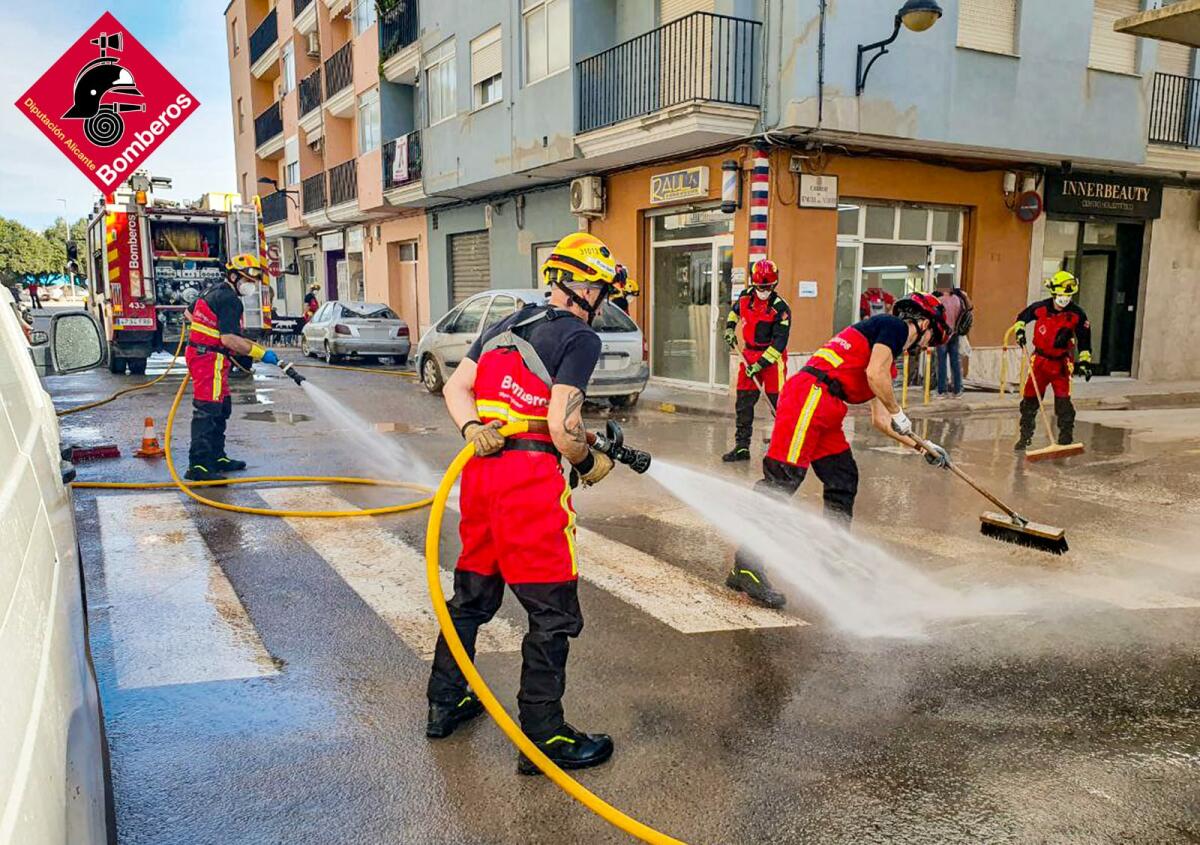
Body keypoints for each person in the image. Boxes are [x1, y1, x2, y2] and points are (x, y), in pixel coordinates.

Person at [426, 232, 619, 775]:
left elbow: (455, 388)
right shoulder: (579, 338)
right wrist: (586, 463)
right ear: (581, 285)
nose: (603, 300)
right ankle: (543, 737)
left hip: (483, 476)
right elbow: (563, 423)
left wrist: (470, 429)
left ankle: (445, 703)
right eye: (601, 288)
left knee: (470, 599)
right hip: (530, 484)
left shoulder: (504, 324)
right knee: (552, 614)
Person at [726, 293, 953, 608]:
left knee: (843, 478)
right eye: (932, 339)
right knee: (781, 481)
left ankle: (833, 557)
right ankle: (746, 566)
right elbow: (876, 380)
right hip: (810, 397)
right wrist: (899, 410)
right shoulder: (893, 327)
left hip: (828, 408)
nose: (927, 347)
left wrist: (923, 447)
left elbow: (880, 419)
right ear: (925, 323)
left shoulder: (885, 355)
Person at [183, 253, 282, 481]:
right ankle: (198, 466)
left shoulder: (213, 290)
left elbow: (189, 312)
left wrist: (207, 331)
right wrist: (260, 352)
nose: (250, 286)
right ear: (234, 275)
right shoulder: (229, 299)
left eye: (253, 281)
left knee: (222, 406)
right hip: (208, 358)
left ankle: (217, 457)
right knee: (207, 409)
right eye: (247, 280)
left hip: (207, 355)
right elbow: (229, 339)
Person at [1011, 270, 1092, 450]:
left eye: (1068, 295)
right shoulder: (1040, 308)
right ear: (1054, 292)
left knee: (1063, 402)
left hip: (1061, 365)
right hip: (1039, 362)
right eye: (1062, 294)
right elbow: (1022, 318)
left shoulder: (1078, 314)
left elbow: (1085, 340)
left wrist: (1086, 362)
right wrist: (1020, 332)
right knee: (1029, 400)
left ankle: (1065, 438)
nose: (1065, 298)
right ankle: (1025, 437)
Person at [721, 259, 791, 462]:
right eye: (761, 287)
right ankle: (742, 447)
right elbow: (734, 313)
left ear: (774, 285)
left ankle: (783, 450)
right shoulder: (744, 298)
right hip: (748, 355)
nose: (764, 290)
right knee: (743, 403)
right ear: (753, 283)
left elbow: (779, 343)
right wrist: (729, 329)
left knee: (777, 404)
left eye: (768, 287)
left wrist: (760, 365)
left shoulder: (781, 309)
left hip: (771, 360)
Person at [934, 285, 973, 397]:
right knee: (955, 362)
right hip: (955, 334)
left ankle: (942, 390)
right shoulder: (958, 299)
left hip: (942, 335)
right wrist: (965, 296)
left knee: (941, 363)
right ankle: (957, 390)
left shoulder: (938, 301)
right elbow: (969, 309)